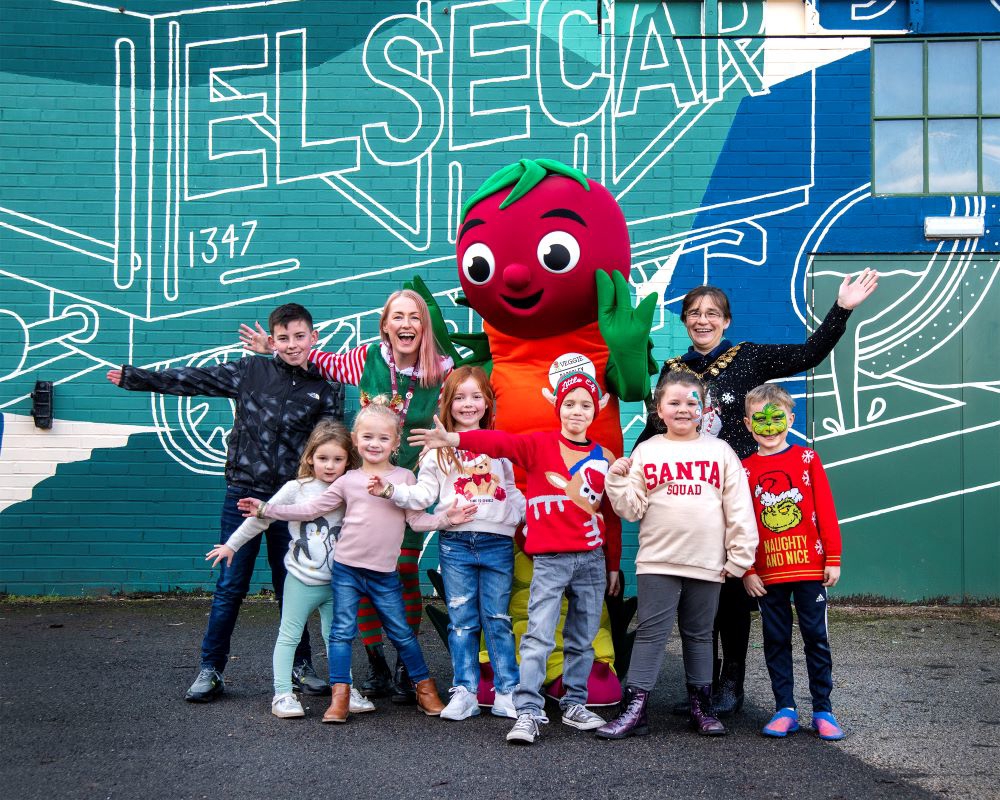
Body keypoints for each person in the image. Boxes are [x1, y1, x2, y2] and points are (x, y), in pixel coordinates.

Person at [633, 269, 877, 714]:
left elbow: (809, 353)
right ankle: (700, 688)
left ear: (726, 321)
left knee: (730, 595)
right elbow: (655, 427)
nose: (701, 320)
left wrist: (841, 309)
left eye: (712, 314)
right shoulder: (673, 370)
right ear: (684, 321)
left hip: (737, 495)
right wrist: (631, 466)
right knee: (696, 598)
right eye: (693, 314)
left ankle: (731, 684)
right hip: (690, 499)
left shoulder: (748, 357)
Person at [107, 303, 342, 702]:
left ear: (313, 338)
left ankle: (301, 667)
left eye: (299, 336)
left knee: (294, 584)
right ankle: (211, 668)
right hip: (243, 493)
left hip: (293, 500)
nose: (292, 345)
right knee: (231, 585)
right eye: (283, 338)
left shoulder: (327, 385)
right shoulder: (250, 371)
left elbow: (333, 443)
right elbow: (193, 380)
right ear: (272, 341)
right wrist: (136, 378)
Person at [240, 289, 452, 702]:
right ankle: (374, 662)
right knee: (361, 575)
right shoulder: (366, 358)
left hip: (409, 487)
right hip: (363, 487)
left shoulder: (442, 372)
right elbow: (317, 358)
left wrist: (438, 450)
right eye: (397, 317)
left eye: (414, 317)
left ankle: (406, 671)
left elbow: (457, 414)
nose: (405, 324)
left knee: (402, 573)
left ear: (423, 326)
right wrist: (274, 348)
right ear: (386, 325)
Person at [411, 371, 622, 745]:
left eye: (585, 405)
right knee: (538, 635)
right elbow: (497, 442)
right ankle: (527, 710)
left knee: (583, 635)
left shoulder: (604, 456)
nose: (577, 411)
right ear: (558, 407)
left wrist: (612, 562)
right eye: (569, 404)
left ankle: (574, 703)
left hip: (590, 559)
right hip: (551, 560)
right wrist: (454, 438)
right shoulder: (539, 445)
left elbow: (613, 507)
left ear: (596, 410)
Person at [237, 397, 476, 722]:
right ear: (356, 440)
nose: (374, 443)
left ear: (394, 443)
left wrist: (447, 518)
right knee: (339, 634)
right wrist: (267, 509)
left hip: (383, 574)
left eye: (382, 438)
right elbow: (310, 509)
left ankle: (425, 690)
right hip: (346, 571)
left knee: (402, 633)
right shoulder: (347, 480)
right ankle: (340, 697)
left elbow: (417, 521)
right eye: (367, 437)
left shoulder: (405, 478)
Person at [597, 371, 758, 739]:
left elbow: (739, 509)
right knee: (652, 633)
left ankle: (701, 707)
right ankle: (635, 708)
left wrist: (738, 558)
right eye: (674, 403)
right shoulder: (648, 450)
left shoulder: (720, 451)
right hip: (657, 561)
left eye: (691, 403)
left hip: (707, 562)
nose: (683, 409)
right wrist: (617, 481)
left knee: (700, 635)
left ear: (704, 409)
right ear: (659, 409)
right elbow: (631, 510)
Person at [368, 366, 525, 721]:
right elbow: (423, 493)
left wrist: (518, 516)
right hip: (455, 545)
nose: (467, 404)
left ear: (487, 402)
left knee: (498, 619)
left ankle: (506, 691)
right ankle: (465, 691)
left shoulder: (500, 445)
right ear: (447, 403)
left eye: (475, 396)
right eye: (459, 397)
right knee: (462, 621)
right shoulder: (436, 450)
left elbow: (512, 490)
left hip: (498, 543)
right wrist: (391, 489)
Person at [205, 420, 374, 719]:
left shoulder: (351, 487)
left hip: (339, 582)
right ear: (310, 457)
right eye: (323, 458)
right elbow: (261, 517)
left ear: (349, 460)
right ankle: (282, 693)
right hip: (301, 580)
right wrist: (232, 545)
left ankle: (344, 689)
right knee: (289, 636)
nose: (330, 465)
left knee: (339, 637)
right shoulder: (296, 489)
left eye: (338, 459)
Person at [741, 384, 845, 740]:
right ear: (747, 424)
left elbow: (826, 510)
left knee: (816, 637)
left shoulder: (807, 459)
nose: (769, 427)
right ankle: (784, 707)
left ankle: (823, 710)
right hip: (766, 574)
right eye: (760, 419)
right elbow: (740, 523)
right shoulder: (744, 470)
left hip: (810, 569)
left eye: (777, 419)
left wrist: (833, 557)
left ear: (791, 419)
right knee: (775, 638)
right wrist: (748, 569)